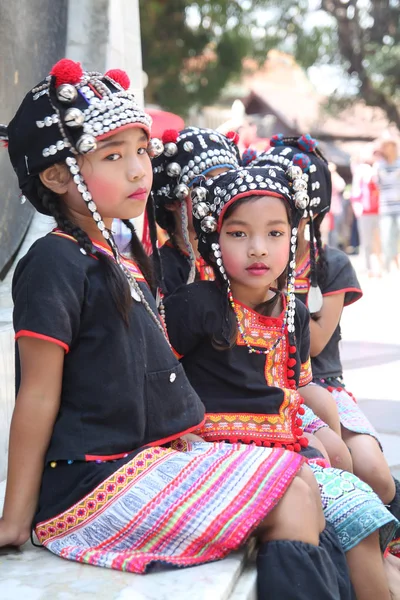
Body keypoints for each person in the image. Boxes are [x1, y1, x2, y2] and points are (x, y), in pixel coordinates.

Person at [0, 59, 354, 599]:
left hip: (138, 463)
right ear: (55, 176)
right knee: (291, 494)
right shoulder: (54, 263)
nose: (139, 170)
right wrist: (14, 519)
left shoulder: (115, 259)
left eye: (141, 151)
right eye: (113, 156)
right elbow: (38, 394)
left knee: (303, 478)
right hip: (91, 484)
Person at [164, 163, 398, 599]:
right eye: (238, 234)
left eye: (274, 234)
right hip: (220, 449)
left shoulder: (292, 312)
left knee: (362, 515)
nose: (258, 249)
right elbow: (160, 380)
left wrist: (319, 439)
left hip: (286, 447)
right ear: (214, 238)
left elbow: (294, 389)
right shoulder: (194, 305)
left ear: (292, 237)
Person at [259, 134, 400, 554]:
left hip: (323, 381)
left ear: (314, 209)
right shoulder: (251, 257)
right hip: (273, 385)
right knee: (338, 462)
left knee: (375, 470)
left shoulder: (330, 264)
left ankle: (384, 547)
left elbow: (316, 343)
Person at [152, 127, 241, 295]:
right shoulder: (159, 271)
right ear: (172, 201)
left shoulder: (239, 260)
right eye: (204, 184)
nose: (219, 193)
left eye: (228, 183)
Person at [351, 146, 381, 277]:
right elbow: (356, 191)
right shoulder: (361, 171)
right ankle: (368, 267)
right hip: (365, 211)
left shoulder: (379, 169)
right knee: (367, 240)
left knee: (379, 240)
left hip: (379, 210)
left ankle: (380, 266)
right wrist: (357, 207)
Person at [375, 138, 400, 273]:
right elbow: (380, 182)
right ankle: (388, 265)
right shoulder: (379, 165)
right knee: (386, 236)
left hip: (398, 206)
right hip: (385, 207)